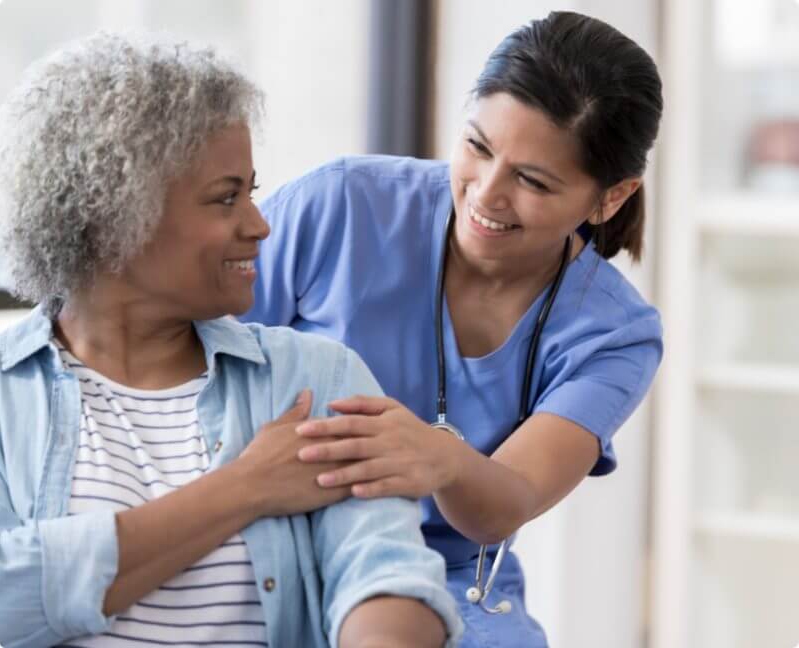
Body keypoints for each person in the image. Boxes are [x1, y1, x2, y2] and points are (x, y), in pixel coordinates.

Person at [0, 33, 462, 648]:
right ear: (115, 219)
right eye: (226, 198)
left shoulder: (315, 379)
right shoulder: (7, 397)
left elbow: (386, 571)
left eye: (252, 190)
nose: (259, 224)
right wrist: (244, 488)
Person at [241, 10, 664, 648]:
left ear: (611, 196)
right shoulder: (345, 205)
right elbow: (191, 351)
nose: (486, 195)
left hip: (451, 579)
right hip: (271, 535)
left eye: (532, 181)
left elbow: (502, 506)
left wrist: (441, 459)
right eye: (477, 147)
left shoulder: (615, 334)